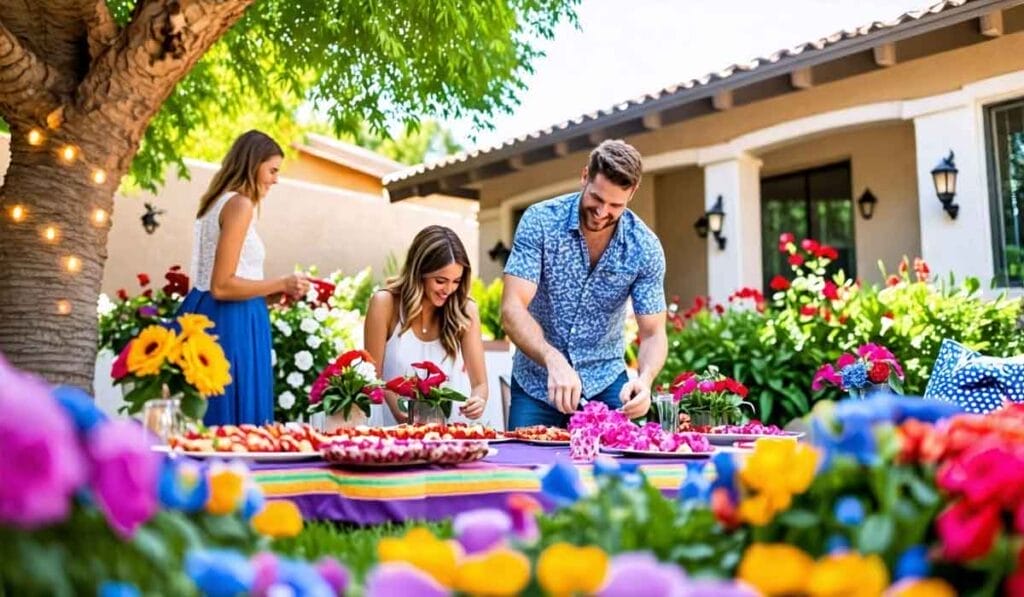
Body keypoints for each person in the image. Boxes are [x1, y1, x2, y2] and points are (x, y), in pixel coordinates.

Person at [501, 139, 668, 429]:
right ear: (584, 176)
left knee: (619, 470)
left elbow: (653, 333)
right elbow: (512, 309)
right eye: (596, 198)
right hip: (538, 385)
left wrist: (645, 380)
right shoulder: (540, 222)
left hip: (605, 383)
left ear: (632, 193)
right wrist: (552, 358)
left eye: (615, 204)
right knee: (524, 469)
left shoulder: (645, 247)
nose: (602, 212)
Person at [179, 130, 310, 426]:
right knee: (233, 418)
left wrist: (272, 296)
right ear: (253, 164)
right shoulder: (239, 205)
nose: (276, 179)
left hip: (216, 314)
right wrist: (282, 282)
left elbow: (228, 281)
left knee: (212, 414)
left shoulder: (216, 203)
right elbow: (222, 285)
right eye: (272, 170)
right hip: (230, 323)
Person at [364, 225, 488, 425]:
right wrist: (400, 409)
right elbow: (371, 378)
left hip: (446, 436)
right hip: (390, 434)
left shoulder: (465, 310)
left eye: (456, 281)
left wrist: (478, 401)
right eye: (440, 280)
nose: (448, 290)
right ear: (419, 271)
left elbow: (480, 384)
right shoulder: (385, 304)